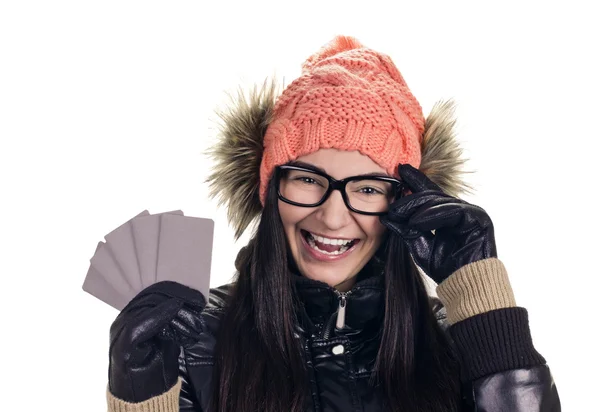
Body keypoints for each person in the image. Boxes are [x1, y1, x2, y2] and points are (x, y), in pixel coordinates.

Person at [105, 35, 561, 411]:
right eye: (307, 179)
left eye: (366, 188)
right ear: (269, 189)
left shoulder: (457, 340)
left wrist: (486, 306)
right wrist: (139, 399)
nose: (332, 215)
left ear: (403, 204)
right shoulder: (193, 340)